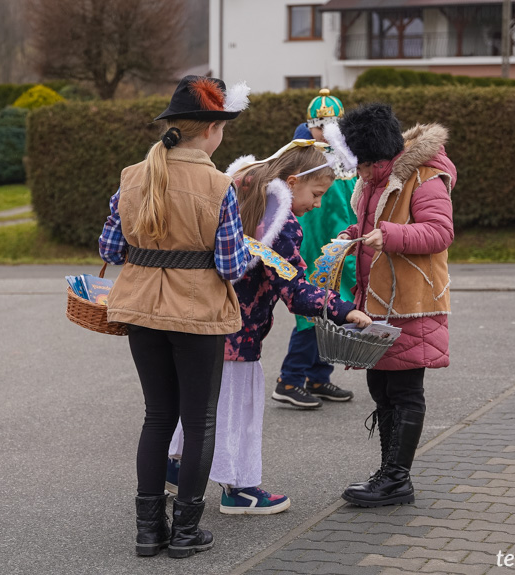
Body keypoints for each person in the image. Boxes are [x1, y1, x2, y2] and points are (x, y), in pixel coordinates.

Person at [166, 140, 372, 515]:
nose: (319, 204)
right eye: (317, 193)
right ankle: (239, 489)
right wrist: (343, 309)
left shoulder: (242, 202)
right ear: (292, 182)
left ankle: (175, 467)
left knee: (201, 407)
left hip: (203, 327)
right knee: (236, 413)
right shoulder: (282, 224)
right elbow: (294, 289)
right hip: (239, 338)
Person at [99, 75, 251, 558]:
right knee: (199, 420)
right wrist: (249, 251)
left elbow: (108, 247)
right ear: (210, 130)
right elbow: (230, 264)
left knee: (157, 416)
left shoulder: (131, 176)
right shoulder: (218, 184)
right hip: (197, 312)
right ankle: (185, 532)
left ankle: (149, 531)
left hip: (141, 307)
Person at [331, 103, 456, 507]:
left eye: (364, 165)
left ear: (381, 155)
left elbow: (439, 232)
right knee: (380, 386)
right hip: (380, 302)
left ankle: (397, 479)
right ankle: (388, 473)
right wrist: (352, 234)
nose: (360, 174)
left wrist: (388, 235)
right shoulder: (375, 179)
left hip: (413, 302)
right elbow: (373, 229)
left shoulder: (424, 175)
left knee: (403, 389)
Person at [274, 89, 359, 409]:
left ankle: (318, 376)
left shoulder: (344, 158)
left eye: (333, 126)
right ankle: (290, 378)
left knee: (335, 312)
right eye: (321, 126)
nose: (326, 132)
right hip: (310, 248)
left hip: (338, 246)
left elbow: (344, 208)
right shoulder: (301, 158)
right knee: (311, 316)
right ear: (310, 125)